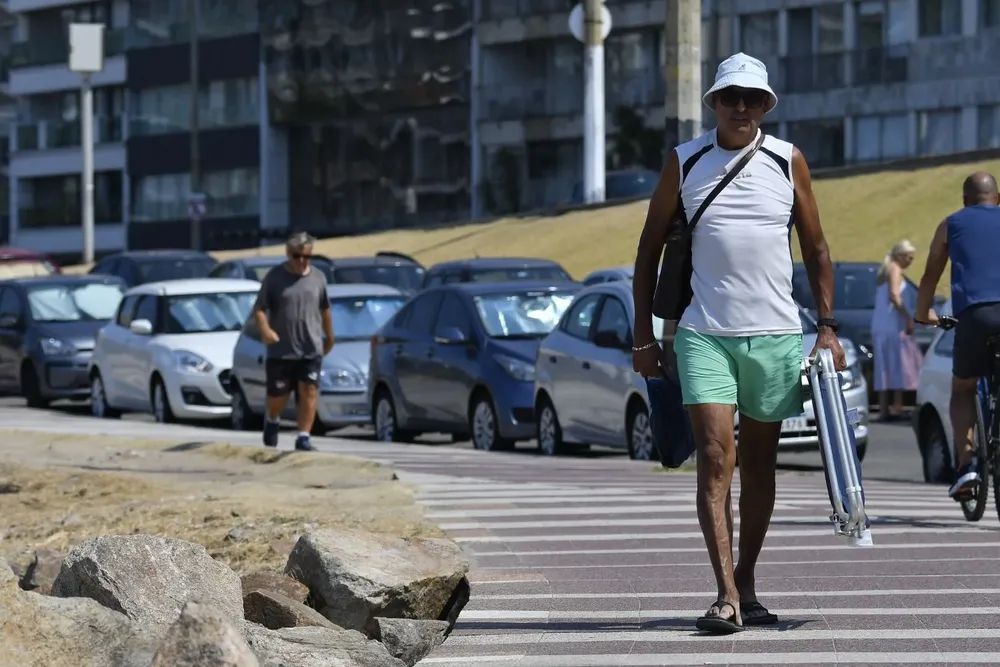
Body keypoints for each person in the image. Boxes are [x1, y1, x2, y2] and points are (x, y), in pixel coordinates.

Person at [631, 52, 845, 634]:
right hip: (704, 334)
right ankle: (724, 594)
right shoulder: (685, 160)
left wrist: (827, 328)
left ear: (766, 105)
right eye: (731, 98)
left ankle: (746, 580)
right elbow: (649, 250)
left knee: (759, 465)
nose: (742, 107)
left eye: (753, 99)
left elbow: (818, 248)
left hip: (776, 333)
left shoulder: (787, 160)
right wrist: (643, 338)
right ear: (715, 103)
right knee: (716, 456)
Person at [914, 171, 1000, 500]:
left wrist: (923, 315)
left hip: (975, 318)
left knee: (963, 388)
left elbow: (929, 276)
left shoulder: (952, 224)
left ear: (965, 201)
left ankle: (967, 467)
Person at [251, 231, 334, 452]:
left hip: (310, 347)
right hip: (281, 350)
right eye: (297, 256)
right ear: (288, 254)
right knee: (278, 396)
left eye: (306, 256)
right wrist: (266, 330)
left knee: (309, 390)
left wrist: (330, 338)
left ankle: (303, 437)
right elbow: (259, 308)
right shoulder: (275, 277)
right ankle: (272, 418)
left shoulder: (318, 278)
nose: (301, 261)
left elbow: (325, 309)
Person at [870, 239, 924, 421]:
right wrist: (908, 317)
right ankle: (895, 406)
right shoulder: (894, 269)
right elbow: (894, 295)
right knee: (899, 363)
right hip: (893, 326)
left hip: (882, 327)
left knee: (886, 366)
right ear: (901, 256)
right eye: (909, 257)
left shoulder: (886, 270)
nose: (911, 261)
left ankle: (888, 407)